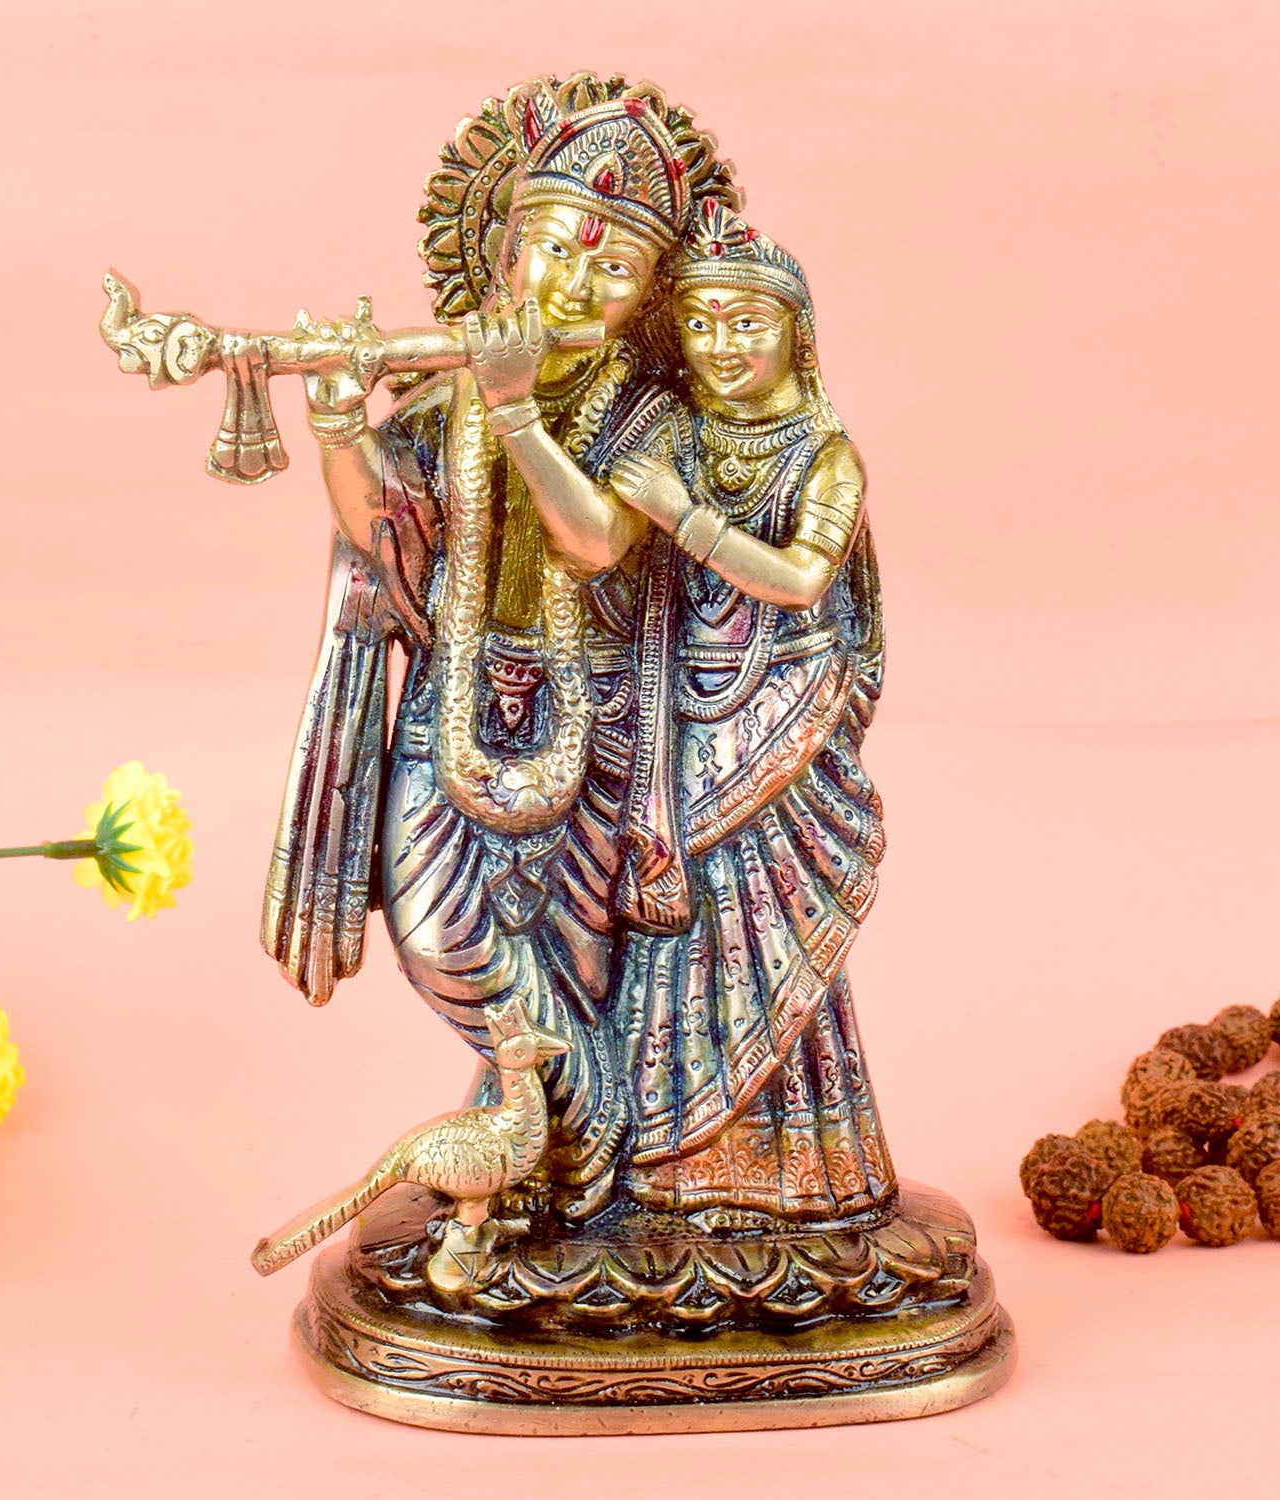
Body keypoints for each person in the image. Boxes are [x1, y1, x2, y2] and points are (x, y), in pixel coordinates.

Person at [266, 88, 738, 1220]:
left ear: (652, 297)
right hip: (458, 701)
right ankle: (587, 1128)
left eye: (612, 267)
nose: (571, 285)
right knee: (440, 940)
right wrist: (338, 423)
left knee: (580, 967)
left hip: (604, 726)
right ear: (504, 250)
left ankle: (556, 1173)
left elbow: (596, 538)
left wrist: (520, 409)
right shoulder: (444, 401)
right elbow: (383, 526)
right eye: (552, 249)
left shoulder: (655, 419)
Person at [604, 200, 896, 1224]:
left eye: (747, 323)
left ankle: (796, 1169)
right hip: (678, 717)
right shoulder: (674, 432)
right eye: (699, 323)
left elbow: (805, 579)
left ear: (796, 334)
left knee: (774, 932)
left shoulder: (824, 455)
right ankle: (658, 1160)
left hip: (788, 716)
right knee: (674, 922)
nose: (721, 346)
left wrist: (681, 515)